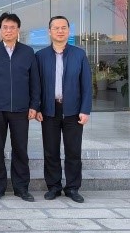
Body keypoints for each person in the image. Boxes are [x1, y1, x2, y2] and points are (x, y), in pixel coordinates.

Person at [0, 13, 40, 202]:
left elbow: (35, 81)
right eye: (5, 27)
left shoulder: (28, 52)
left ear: (18, 30)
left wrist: (34, 105)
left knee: (20, 149)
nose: (8, 31)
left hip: (21, 109)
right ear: (0, 30)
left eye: (12, 27)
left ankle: (21, 188)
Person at [35, 15, 92, 204]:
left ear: (69, 31)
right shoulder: (41, 56)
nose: (60, 31)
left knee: (73, 151)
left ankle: (73, 187)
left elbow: (86, 85)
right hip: (49, 110)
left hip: (73, 110)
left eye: (64, 28)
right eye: (56, 28)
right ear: (49, 31)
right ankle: (53, 186)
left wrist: (85, 109)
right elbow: (36, 85)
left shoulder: (79, 54)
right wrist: (37, 107)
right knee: (50, 151)